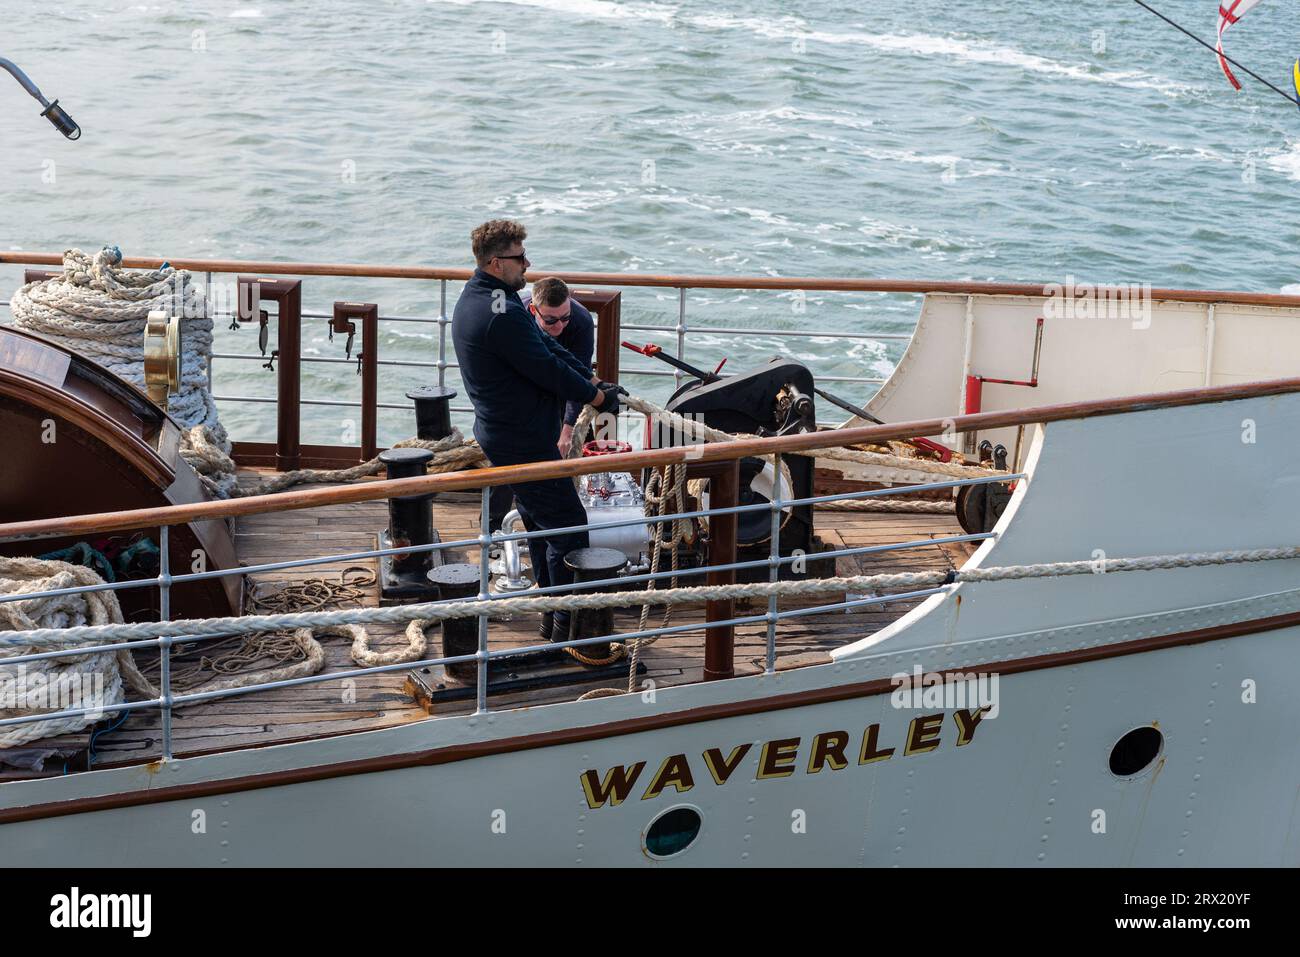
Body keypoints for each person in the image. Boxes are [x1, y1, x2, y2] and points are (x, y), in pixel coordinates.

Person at [452, 219, 625, 645]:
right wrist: (597, 400)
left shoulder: (493, 299)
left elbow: (548, 349)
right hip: (520, 439)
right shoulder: (501, 314)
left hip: (510, 432)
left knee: (542, 525)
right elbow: (544, 368)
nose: (527, 265)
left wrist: (590, 384)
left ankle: (554, 625)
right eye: (519, 258)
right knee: (568, 526)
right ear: (496, 262)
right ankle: (573, 635)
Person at [521, 276, 595, 456]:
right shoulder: (516, 318)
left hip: (565, 388)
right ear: (533, 310)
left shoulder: (582, 321)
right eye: (550, 320)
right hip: (525, 390)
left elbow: (579, 376)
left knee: (573, 442)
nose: (559, 326)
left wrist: (568, 430)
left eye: (565, 317)